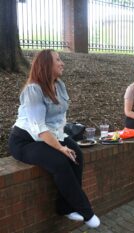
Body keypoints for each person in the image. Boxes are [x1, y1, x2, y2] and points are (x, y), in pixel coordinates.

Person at [8, 49, 100, 228]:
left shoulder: (59, 85)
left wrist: (63, 140)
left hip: (51, 134)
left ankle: (64, 206)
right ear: (46, 65)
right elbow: (39, 128)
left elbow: (60, 117)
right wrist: (60, 147)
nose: (62, 63)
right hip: (26, 140)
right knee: (60, 161)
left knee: (77, 155)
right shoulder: (33, 90)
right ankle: (86, 212)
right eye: (58, 60)